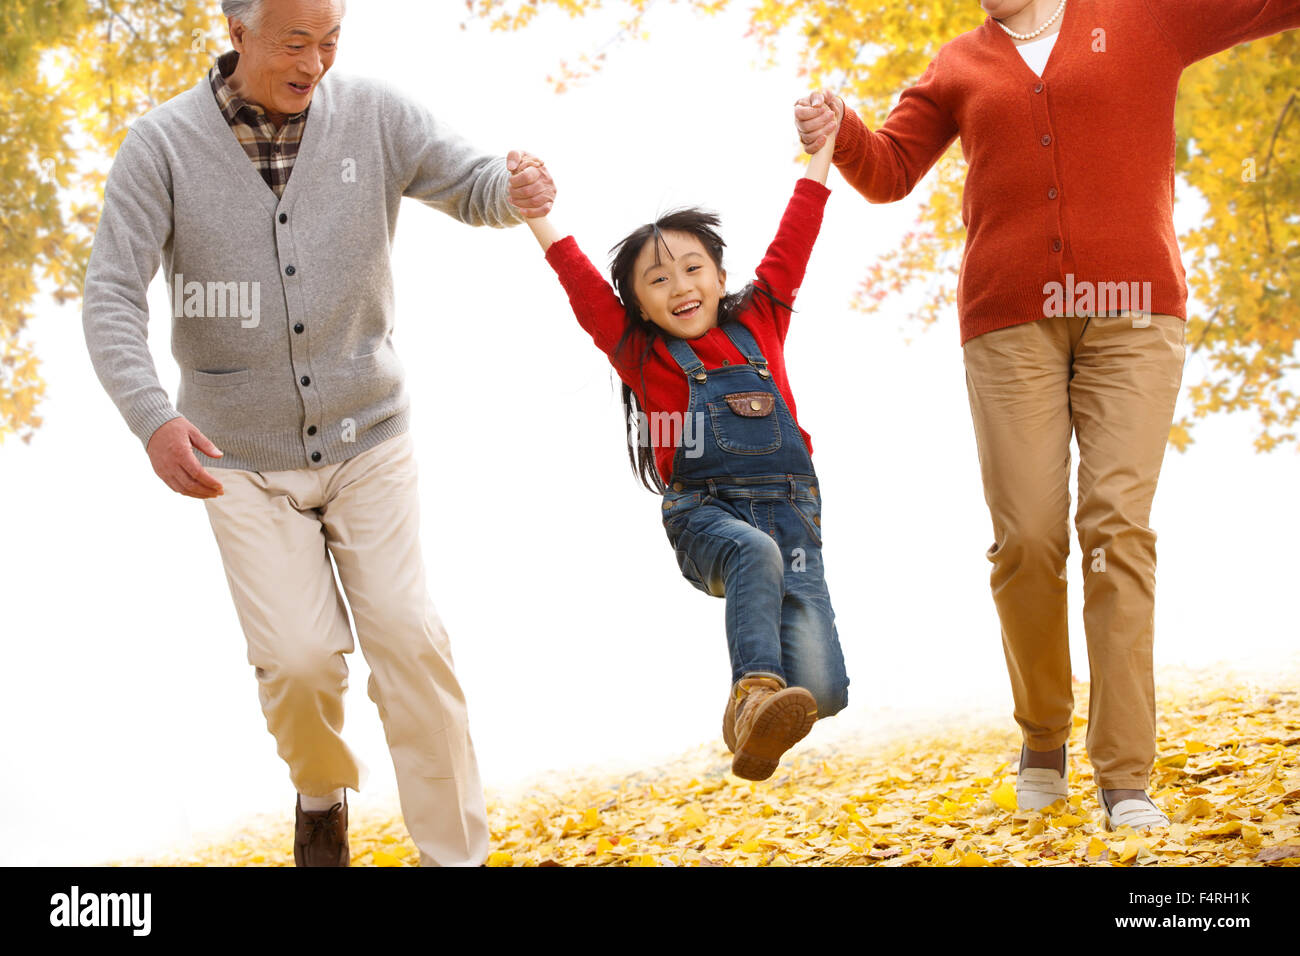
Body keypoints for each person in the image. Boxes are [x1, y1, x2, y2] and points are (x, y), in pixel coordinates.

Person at [794, 0, 1300, 829]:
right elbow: (887, 170)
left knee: (1116, 528)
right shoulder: (958, 64)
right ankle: (1041, 735)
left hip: (1135, 314)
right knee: (1026, 538)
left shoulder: (1145, 19)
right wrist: (838, 124)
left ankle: (1125, 776)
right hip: (1007, 323)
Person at [81, 0, 554, 866]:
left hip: (369, 436)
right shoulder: (161, 145)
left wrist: (513, 191)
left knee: (411, 640)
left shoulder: (375, 113)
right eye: (296, 41)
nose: (317, 61)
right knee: (298, 663)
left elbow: (470, 181)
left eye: (332, 40)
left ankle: (458, 857)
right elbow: (113, 292)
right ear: (239, 33)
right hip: (240, 458)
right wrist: (153, 418)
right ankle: (319, 787)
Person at [507, 120, 850, 782]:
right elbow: (581, 286)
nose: (681, 286)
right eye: (657, 280)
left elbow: (797, 234)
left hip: (791, 514)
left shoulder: (762, 322)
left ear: (722, 277)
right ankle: (751, 694)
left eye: (693, 269)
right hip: (706, 515)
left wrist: (823, 149)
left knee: (823, 690)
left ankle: (754, 732)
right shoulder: (645, 356)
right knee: (755, 553)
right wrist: (539, 216)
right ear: (636, 304)